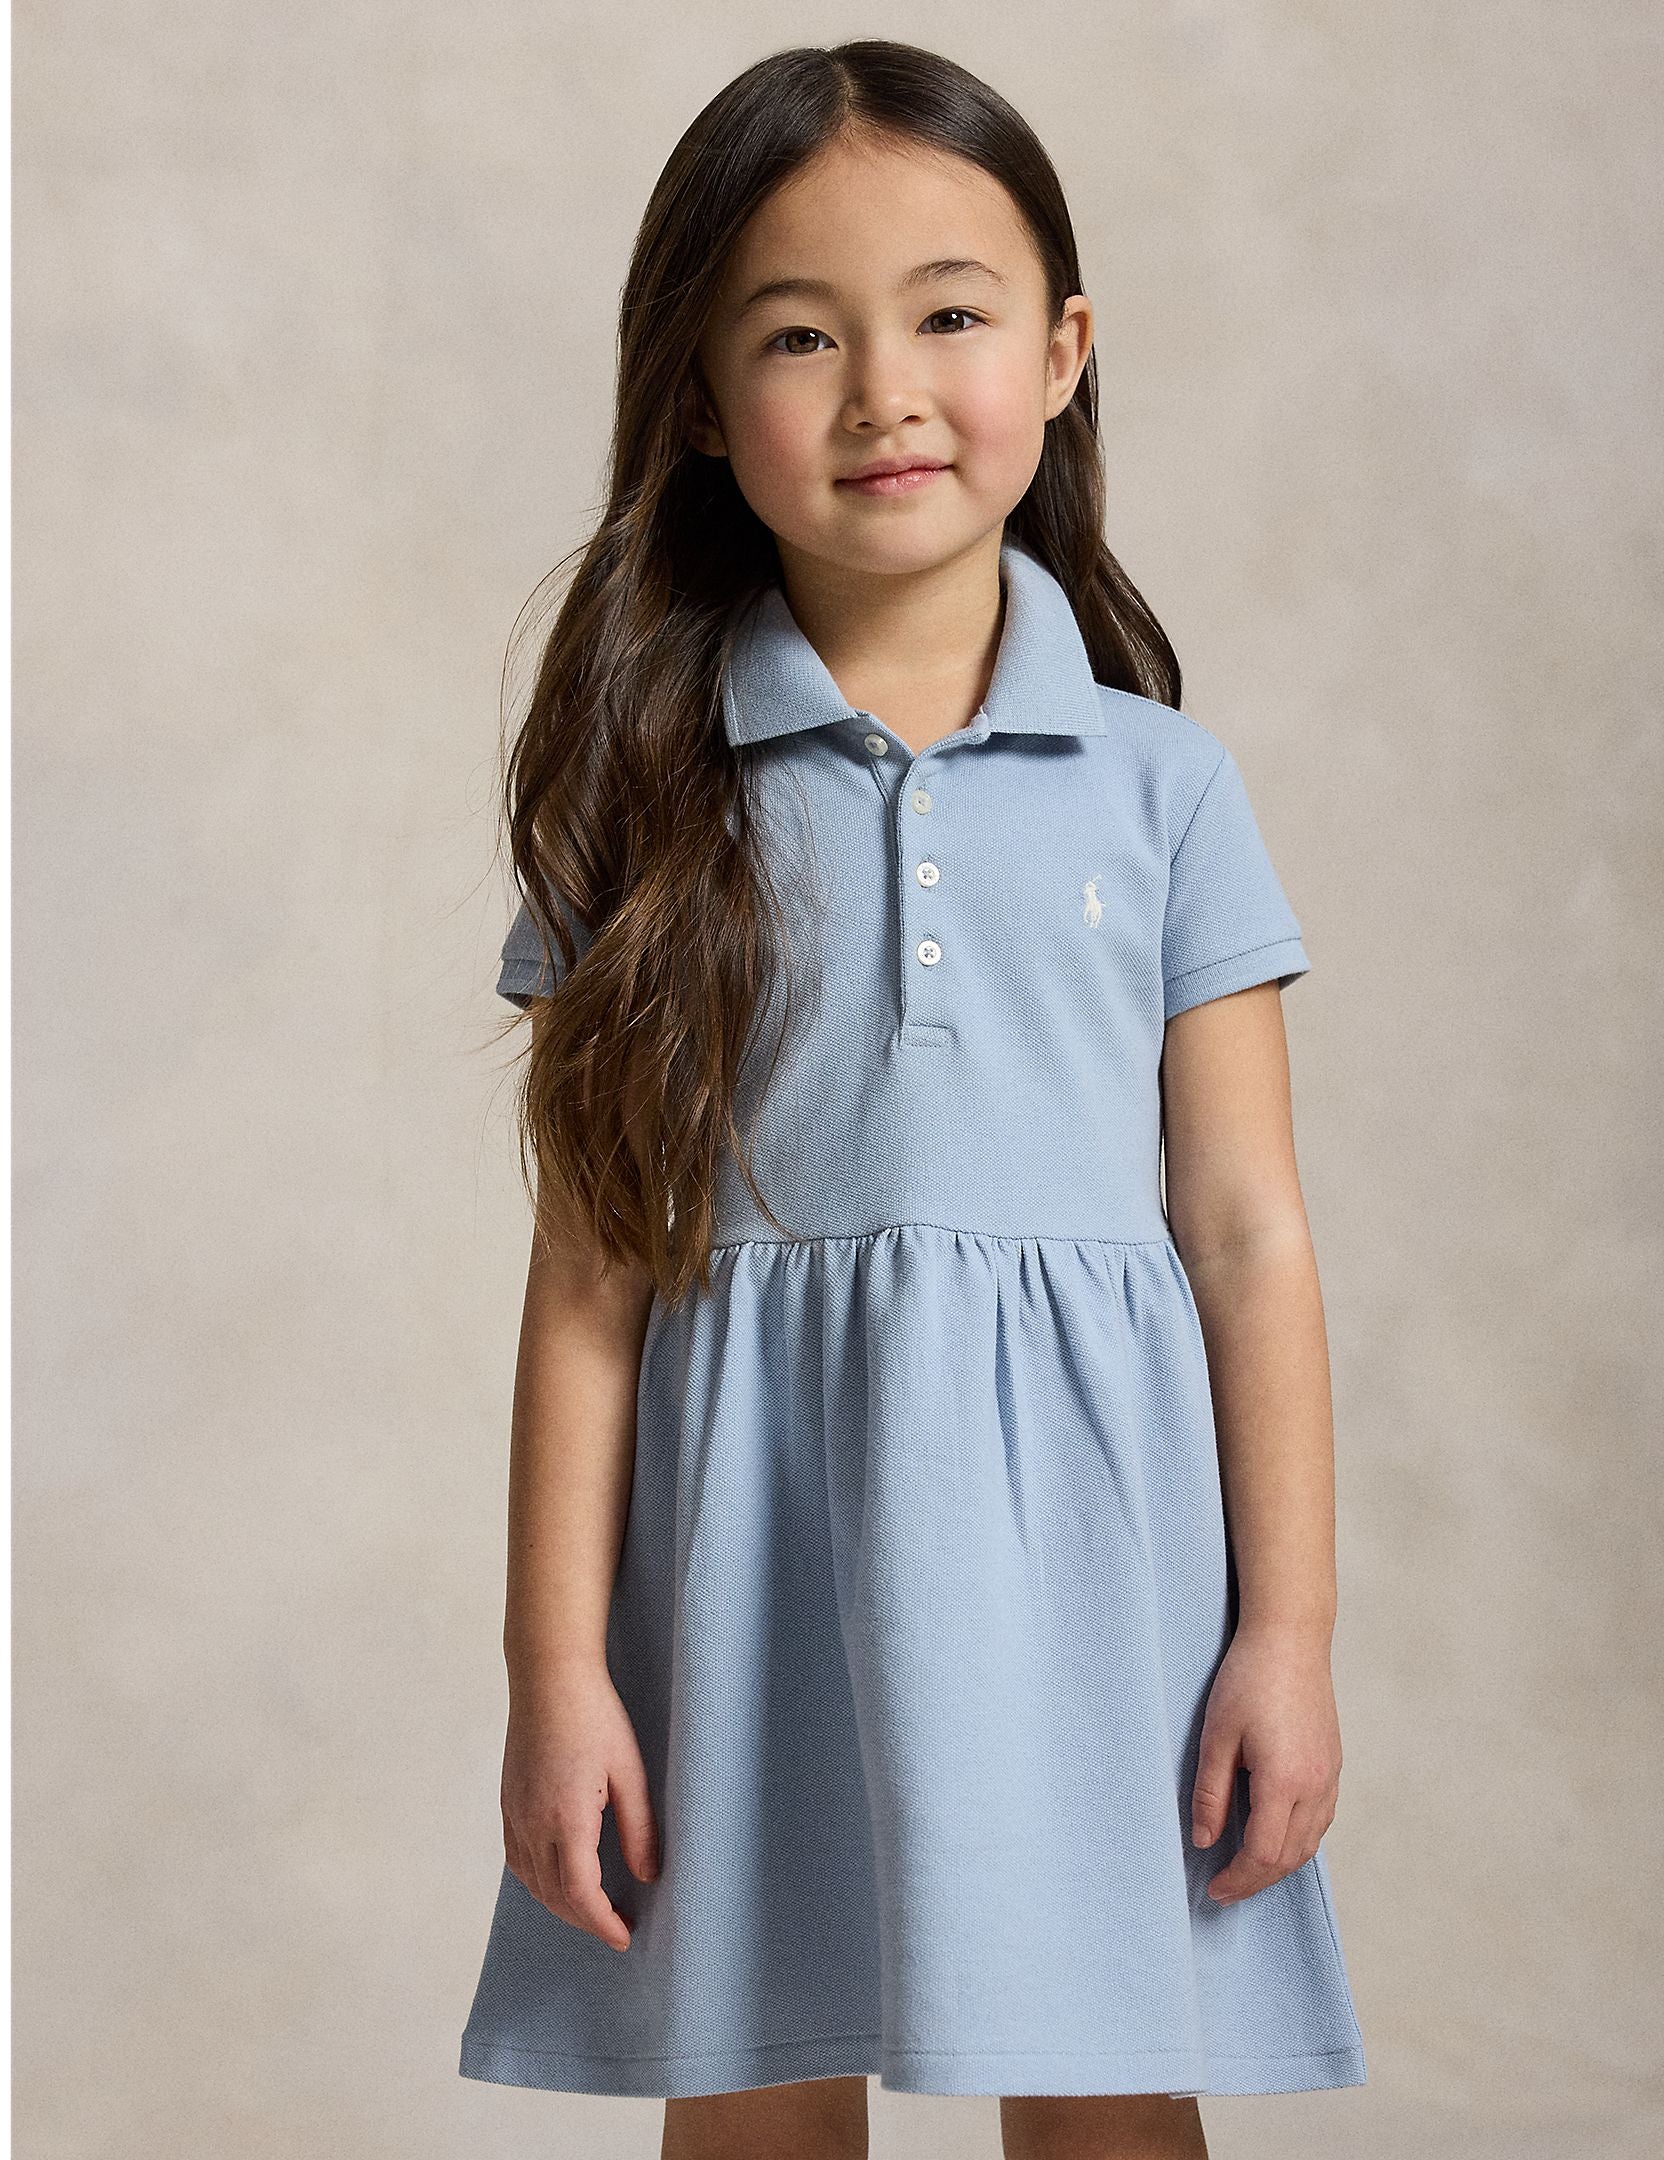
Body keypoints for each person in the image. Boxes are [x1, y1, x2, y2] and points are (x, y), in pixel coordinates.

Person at [457, 36, 1367, 2160]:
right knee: (757, 2091)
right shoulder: (642, 800)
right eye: (799, 335)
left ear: (1060, 353)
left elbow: (1246, 1235)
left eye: (948, 314)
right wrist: (556, 1673)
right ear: (701, 400)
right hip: (746, 1565)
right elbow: (587, 1277)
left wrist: (1290, 1637)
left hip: (1096, 1571)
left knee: (1104, 2092)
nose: (883, 390)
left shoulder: (1163, 788)